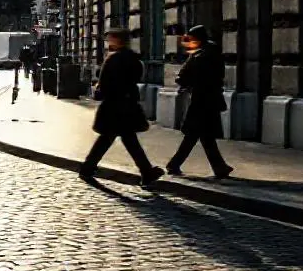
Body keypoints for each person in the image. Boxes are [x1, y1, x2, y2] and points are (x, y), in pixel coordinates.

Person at [79, 27, 164, 188]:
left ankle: (88, 168)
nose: (108, 42)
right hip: (127, 105)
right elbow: (137, 77)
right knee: (125, 139)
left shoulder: (113, 59)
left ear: (117, 40)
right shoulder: (133, 59)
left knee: (109, 139)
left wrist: (99, 92)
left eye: (111, 38)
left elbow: (103, 82)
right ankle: (146, 172)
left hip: (113, 105)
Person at [166, 25, 234, 179]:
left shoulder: (200, 55)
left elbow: (183, 77)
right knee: (202, 135)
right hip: (209, 99)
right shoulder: (211, 52)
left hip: (201, 100)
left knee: (196, 134)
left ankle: (175, 164)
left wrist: (186, 82)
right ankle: (219, 167)